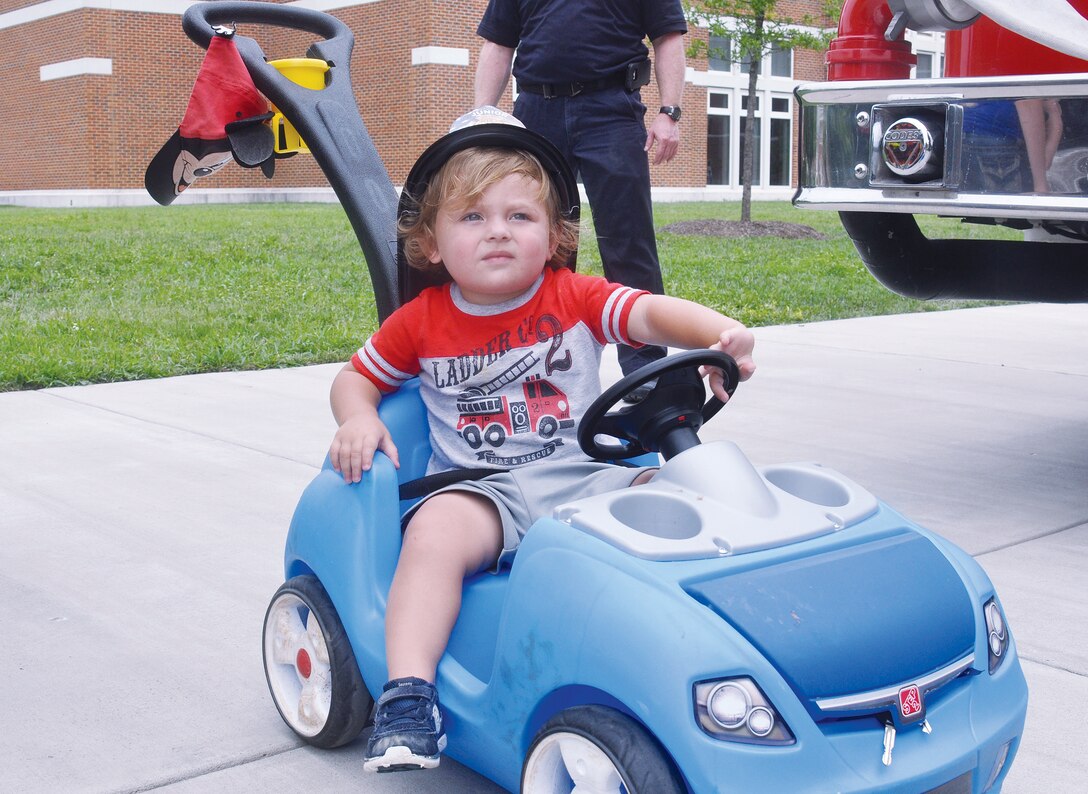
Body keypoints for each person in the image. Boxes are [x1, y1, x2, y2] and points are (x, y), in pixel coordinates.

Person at [328, 107, 755, 773]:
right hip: (479, 489)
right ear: (433, 242)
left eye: (519, 217)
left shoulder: (573, 295)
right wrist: (358, 416)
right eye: (473, 217)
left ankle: (725, 646)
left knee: (695, 492)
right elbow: (356, 378)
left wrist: (716, 332)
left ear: (553, 235)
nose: (497, 231)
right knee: (433, 535)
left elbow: (645, 310)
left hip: (586, 473)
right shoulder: (420, 322)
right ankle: (409, 695)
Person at [473, 0, 688, 383]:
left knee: (628, 241)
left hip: (611, 110)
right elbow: (498, 45)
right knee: (530, 239)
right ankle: (530, 357)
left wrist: (669, 111)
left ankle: (645, 371)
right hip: (535, 111)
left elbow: (668, 37)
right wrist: (480, 119)